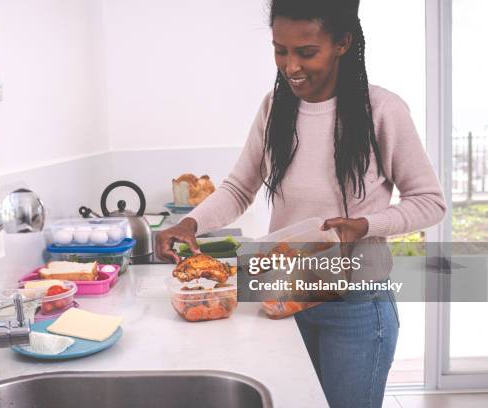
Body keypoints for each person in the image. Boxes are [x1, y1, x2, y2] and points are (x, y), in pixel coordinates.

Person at [155, 0, 446, 406]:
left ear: (343, 42)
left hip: (356, 306)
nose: (291, 66)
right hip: (283, 295)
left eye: (306, 52)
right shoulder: (275, 108)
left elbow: (430, 202)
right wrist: (191, 223)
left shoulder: (382, 110)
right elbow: (240, 187)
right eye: (280, 50)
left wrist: (365, 225)